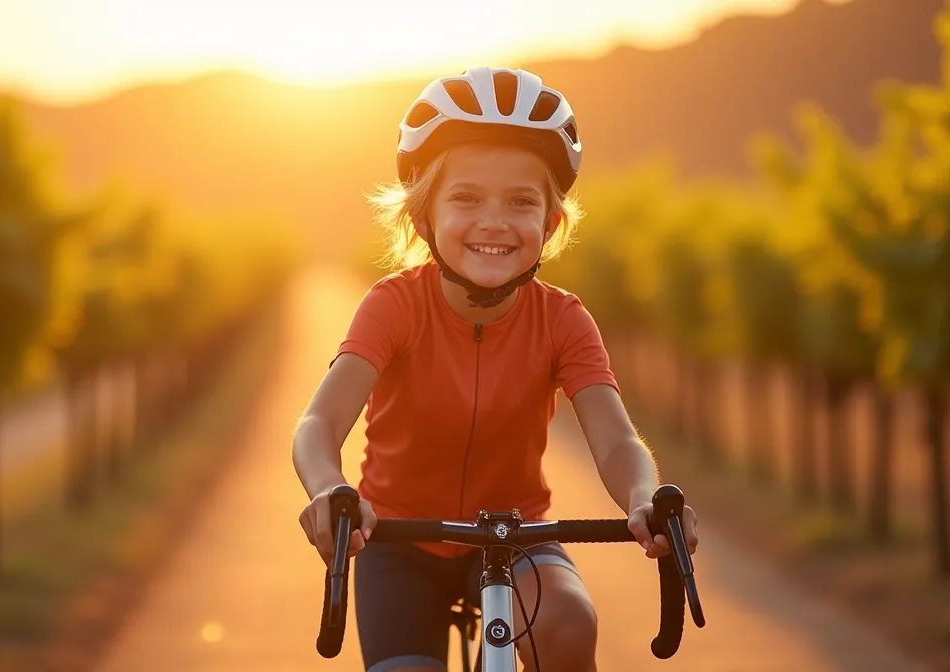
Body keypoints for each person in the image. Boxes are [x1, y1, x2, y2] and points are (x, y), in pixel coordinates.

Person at [292, 65, 700, 672]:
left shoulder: (563, 320)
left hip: (519, 537)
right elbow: (319, 423)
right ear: (423, 217)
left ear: (550, 224)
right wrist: (329, 487)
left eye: (521, 202)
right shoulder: (394, 306)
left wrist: (644, 495)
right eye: (466, 198)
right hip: (399, 542)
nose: (494, 220)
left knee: (568, 622)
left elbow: (617, 439)